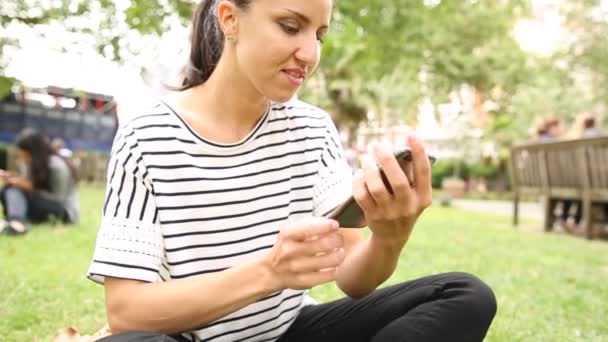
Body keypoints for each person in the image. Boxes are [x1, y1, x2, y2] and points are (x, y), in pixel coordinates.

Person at [89, 1, 497, 341]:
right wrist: (270, 271)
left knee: (466, 295)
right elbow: (127, 312)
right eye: (290, 27)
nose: (310, 54)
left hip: (289, 332)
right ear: (230, 19)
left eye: (319, 35)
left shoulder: (312, 129)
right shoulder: (146, 137)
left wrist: (390, 238)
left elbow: (353, 277)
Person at [0, 129, 79, 235]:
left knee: (14, 189)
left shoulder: (57, 166)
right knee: (8, 189)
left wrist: (29, 187)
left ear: (35, 152)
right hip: (44, 206)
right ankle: (15, 222)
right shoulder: (34, 165)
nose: (23, 159)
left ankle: (16, 224)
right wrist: (14, 179)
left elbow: (58, 199)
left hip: (64, 212)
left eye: (25, 155)